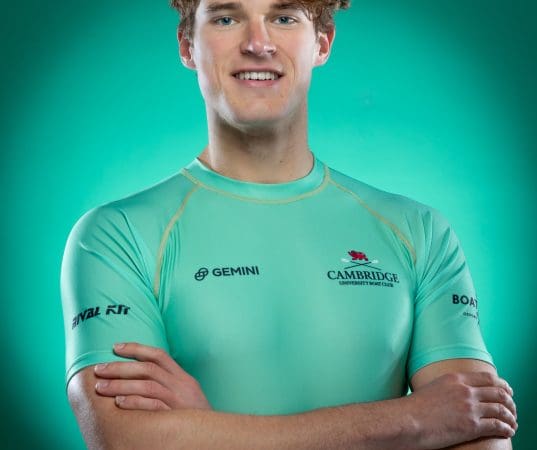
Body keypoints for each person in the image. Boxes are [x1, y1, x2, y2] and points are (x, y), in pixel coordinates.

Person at [61, 1, 518, 448]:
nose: (257, 44)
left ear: (322, 42)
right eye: (226, 18)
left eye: (283, 17)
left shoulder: (420, 231)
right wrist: (412, 420)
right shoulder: (116, 236)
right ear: (187, 45)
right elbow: (128, 440)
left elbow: (478, 431)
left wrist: (208, 431)